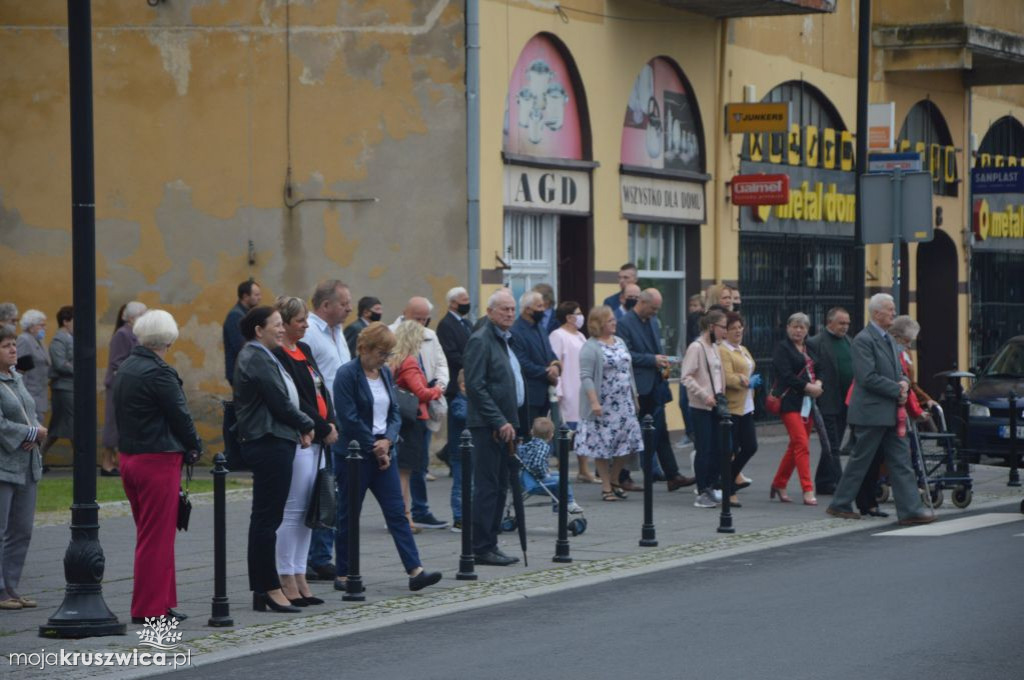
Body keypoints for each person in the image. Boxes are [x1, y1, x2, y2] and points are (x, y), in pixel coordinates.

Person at [332, 322, 443, 592]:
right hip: (355, 455)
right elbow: (348, 418)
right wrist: (374, 445)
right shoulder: (347, 374)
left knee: (396, 512)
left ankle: (415, 569)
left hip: (384, 452)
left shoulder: (383, 373)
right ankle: (344, 572)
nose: (385, 358)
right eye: (382, 352)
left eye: (388, 353)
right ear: (364, 349)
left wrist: (388, 441)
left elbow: (394, 411)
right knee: (349, 514)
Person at [113, 310, 202, 624]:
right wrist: (195, 445)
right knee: (157, 538)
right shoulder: (159, 372)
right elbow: (180, 416)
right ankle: (150, 609)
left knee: (152, 535)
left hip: (130, 458)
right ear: (169, 338)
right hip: (158, 459)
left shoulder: (127, 367)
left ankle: (162, 601)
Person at [234, 306, 315, 614]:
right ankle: (269, 587)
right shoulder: (255, 356)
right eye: (277, 325)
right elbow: (279, 401)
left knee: (268, 519)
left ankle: (264, 588)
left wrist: (298, 428)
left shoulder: (263, 355)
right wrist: (306, 424)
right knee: (267, 520)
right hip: (268, 443)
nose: (282, 330)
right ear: (259, 330)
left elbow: (282, 400)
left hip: (276, 439)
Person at [827, 295, 935, 525]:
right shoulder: (863, 340)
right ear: (876, 313)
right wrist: (897, 389)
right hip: (871, 412)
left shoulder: (888, 339)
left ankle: (911, 510)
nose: (894, 314)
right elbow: (867, 377)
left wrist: (904, 382)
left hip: (890, 413)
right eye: (890, 310)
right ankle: (840, 503)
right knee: (860, 461)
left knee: (901, 460)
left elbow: (898, 370)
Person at [272, 297, 339, 607]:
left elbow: (320, 389)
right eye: (300, 320)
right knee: (293, 511)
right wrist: (320, 426)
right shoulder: (278, 355)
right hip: (301, 438)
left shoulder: (305, 350)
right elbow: (297, 398)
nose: (306, 325)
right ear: (284, 323)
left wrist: (330, 421)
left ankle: (300, 573)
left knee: (309, 514)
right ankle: (286, 575)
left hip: (318, 439)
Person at [464, 290, 523, 566]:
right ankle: (481, 546)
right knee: (488, 487)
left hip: (506, 424)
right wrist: (498, 420)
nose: (510, 314)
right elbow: (476, 386)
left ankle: (491, 542)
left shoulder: (503, 338)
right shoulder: (481, 339)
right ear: (490, 312)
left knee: (501, 486)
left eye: (512, 309)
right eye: (504, 310)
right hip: (488, 426)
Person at [616, 288, 696, 492]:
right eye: (653, 308)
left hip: (657, 383)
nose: (655, 313)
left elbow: (657, 349)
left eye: (657, 309)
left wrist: (663, 368)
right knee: (632, 432)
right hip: (638, 387)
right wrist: (652, 360)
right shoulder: (624, 324)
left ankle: (672, 475)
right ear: (641, 303)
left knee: (661, 432)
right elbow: (626, 355)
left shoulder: (652, 321)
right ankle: (622, 475)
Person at [302, 279, 352, 580]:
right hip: (324, 423)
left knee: (331, 488)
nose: (349, 307)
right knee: (321, 488)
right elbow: (310, 384)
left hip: (341, 419)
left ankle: (321, 554)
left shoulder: (338, 331)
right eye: (344, 303)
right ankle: (316, 557)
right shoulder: (310, 333)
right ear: (325, 306)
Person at [389, 296, 449, 530]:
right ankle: (404, 517)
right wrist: (437, 390)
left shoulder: (395, 359)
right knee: (405, 472)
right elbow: (421, 393)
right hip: (412, 419)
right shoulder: (410, 362)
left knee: (400, 471)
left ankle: (402, 516)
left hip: (400, 419)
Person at [576, 305, 644, 502]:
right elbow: (586, 377)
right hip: (603, 404)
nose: (614, 323)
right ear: (598, 324)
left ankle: (615, 480)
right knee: (602, 446)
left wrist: (635, 396)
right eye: (610, 321)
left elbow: (628, 370)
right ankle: (606, 486)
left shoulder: (620, 342)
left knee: (626, 443)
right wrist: (594, 402)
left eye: (614, 320)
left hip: (624, 403)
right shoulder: (590, 347)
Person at [0, 323, 44, 611]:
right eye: (6, 345)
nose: (14, 349)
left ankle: (12, 587)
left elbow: (30, 412)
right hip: (4, 467)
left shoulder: (16, 378)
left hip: (28, 465)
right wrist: (29, 433)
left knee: (22, 530)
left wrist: (37, 427)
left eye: (14, 343)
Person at [768, 313, 822, 505]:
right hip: (789, 401)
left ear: (808, 330)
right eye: (795, 326)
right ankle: (807, 489)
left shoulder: (810, 347)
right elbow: (786, 375)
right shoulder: (782, 348)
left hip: (807, 403)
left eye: (802, 327)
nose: (798, 330)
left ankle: (779, 482)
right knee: (801, 443)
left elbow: (820, 367)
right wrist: (809, 387)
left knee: (796, 445)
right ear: (788, 327)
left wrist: (819, 383)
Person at [681, 309, 728, 508]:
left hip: (716, 404)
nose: (725, 331)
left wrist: (720, 394)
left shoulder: (715, 347)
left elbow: (718, 374)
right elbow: (686, 376)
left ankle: (711, 485)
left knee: (719, 447)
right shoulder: (697, 347)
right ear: (711, 327)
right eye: (722, 327)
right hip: (701, 406)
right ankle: (702, 490)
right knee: (705, 448)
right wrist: (704, 395)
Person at [436, 287, 474, 531]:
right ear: (452, 304)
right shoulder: (446, 325)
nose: (467, 304)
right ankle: (448, 452)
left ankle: (446, 453)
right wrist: (471, 364)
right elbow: (451, 353)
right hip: (455, 383)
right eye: (463, 301)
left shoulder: (466, 324)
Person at [806, 307, 853, 496]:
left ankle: (824, 482)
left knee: (834, 442)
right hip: (826, 401)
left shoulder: (849, 342)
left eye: (847, 323)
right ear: (830, 322)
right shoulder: (816, 342)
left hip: (845, 401)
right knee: (832, 444)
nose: (845, 327)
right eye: (841, 323)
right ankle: (840, 483)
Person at [548, 301, 594, 483]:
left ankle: (584, 469)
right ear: (568, 317)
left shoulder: (581, 336)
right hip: (567, 390)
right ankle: (562, 466)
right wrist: (557, 390)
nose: (582, 316)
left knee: (582, 431)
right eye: (578, 313)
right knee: (565, 431)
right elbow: (555, 362)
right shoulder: (558, 335)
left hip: (581, 390)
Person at [101, 301, 147, 477]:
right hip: (118, 385)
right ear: (132, 318)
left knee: (121, 425)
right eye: (143, 315)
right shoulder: (123, 334)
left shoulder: (134, 334)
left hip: (127, 385)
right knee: (113, 424)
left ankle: (114, 462)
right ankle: (106, 463)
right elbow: (116, 362)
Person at [719, 312, 758, 506]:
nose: (738, 331)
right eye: (733, 328)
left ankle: (726, 481)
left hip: (747, 406)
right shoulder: (723, 350)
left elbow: (751, 369)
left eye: (740, 327)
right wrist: (745, 380)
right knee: (730, 450)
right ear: (725, 332)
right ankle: (729, 489)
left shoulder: (743, 349)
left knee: (751, 446)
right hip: (732, 406)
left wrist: (751, 382)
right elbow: (727, 377)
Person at [510, 291, 560, 435]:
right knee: (528, 435)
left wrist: (555, 366)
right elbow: (521, 362)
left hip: (545, 393)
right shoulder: (516, 331)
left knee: (543, 436)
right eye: (539, 306)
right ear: (527, 309)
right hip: (529, 394)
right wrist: (546, 372)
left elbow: (550, 353)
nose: (543, 310)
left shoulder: (541, 329)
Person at [517, 417, 583, 513]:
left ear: (532, 432)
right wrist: (544, 474)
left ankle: (558, 505)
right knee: (563, 479)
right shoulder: (543, 447)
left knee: (558, 474)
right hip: (535, 481)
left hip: (525, 477)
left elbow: (522, 456)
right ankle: (569, 502)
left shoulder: (529, 444)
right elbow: (537, 464)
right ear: (551, 435)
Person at [41, 306, 74, 469]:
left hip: (69, 388)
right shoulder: (59, 339)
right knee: (73, 425)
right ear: (66, 321)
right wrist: (79, 369)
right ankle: (82, 460)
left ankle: (38, 457)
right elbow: (60, 364)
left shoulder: (70, 337)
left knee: (57, 427)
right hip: (63, 389)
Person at [224, 279, 262, 386]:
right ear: (245, 296)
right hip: (240, 372)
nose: (260, 298)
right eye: (256, 294)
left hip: (245, 370)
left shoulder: (246, 314)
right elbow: (240, 346)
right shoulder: (235, 316)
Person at [16, 310, 49, 425]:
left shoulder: (38, 340)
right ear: (31, 326)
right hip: (30, 392)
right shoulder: (24, 340)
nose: (44, 328)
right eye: (41, 325)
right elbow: (20, 369)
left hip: (40, 392)